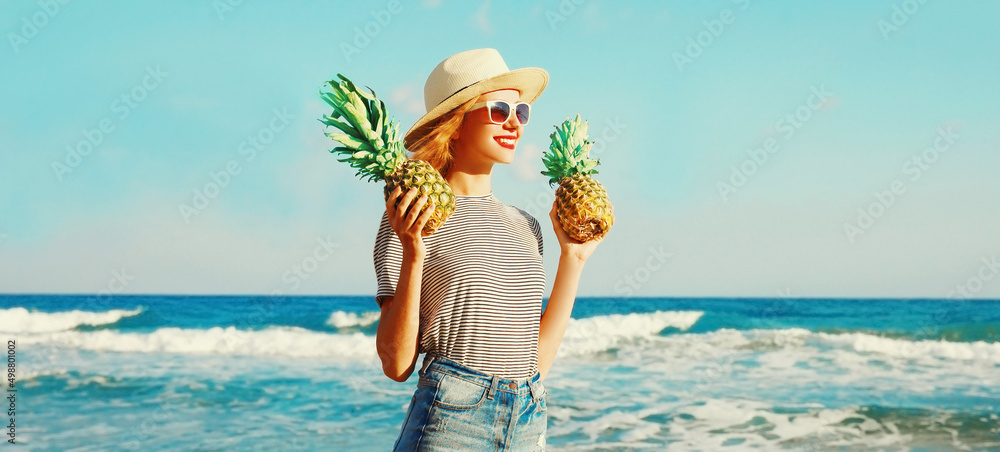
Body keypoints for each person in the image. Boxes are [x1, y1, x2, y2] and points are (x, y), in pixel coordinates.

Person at [373, 48, 603, 451]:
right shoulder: (413, 212)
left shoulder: (526, 226)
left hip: (529, 417)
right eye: (499, 110)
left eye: (522, 113)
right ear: (456, 123)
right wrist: (412, 250)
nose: (514, 123)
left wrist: (574, 258)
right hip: (452, 420)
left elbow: (536, 362)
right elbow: (396, 364)